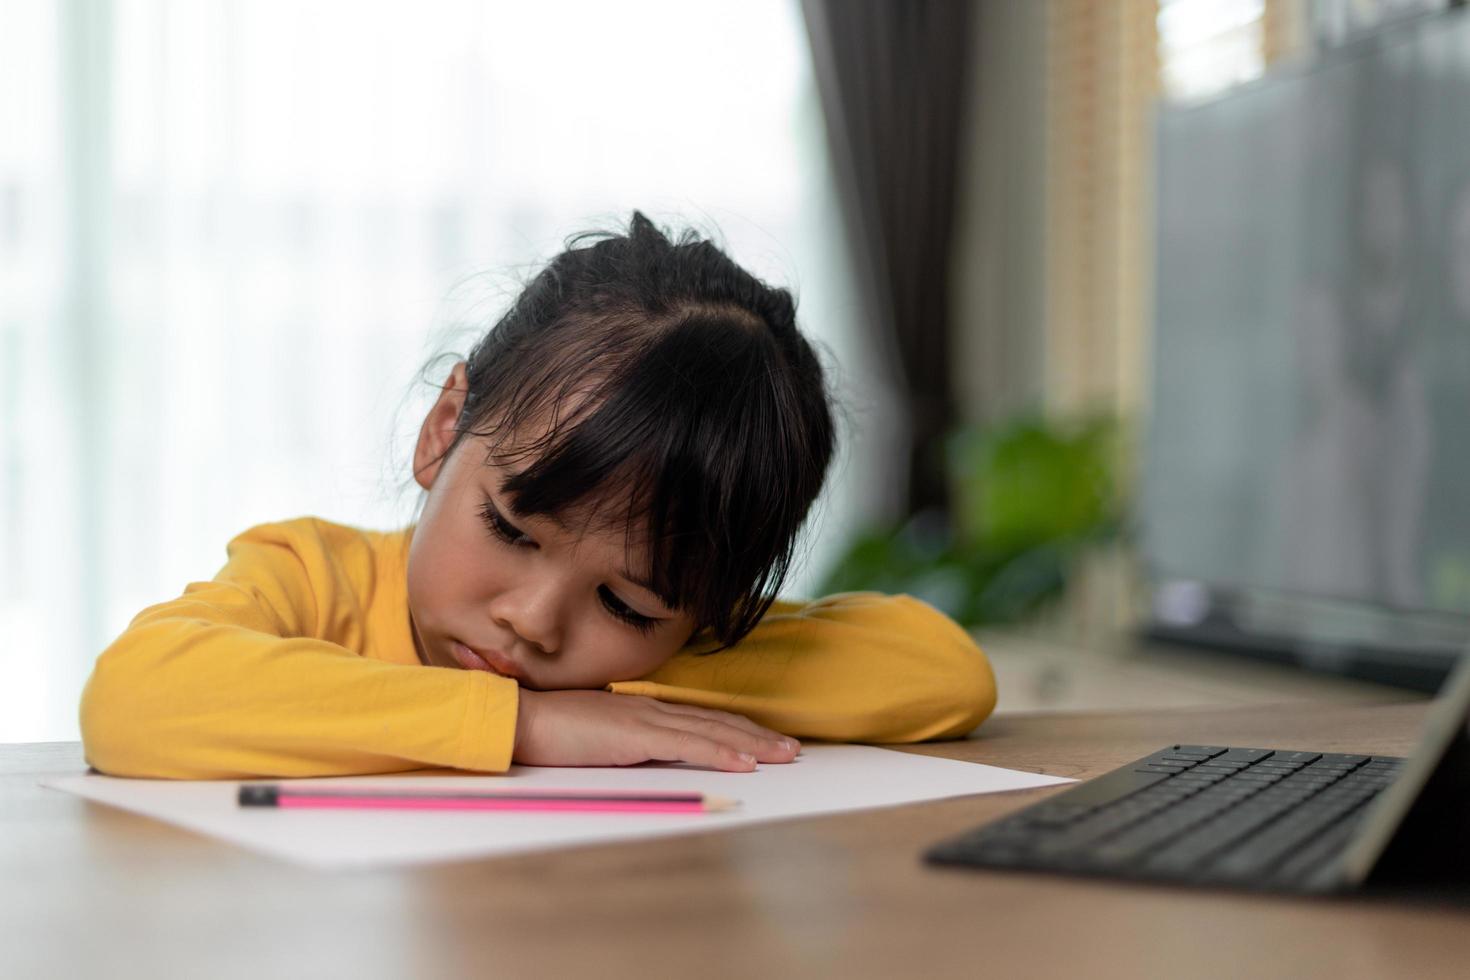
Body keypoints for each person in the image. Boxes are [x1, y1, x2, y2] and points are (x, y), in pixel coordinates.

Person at [79, 212, 996, 779]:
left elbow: (943, 676)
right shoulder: (310, 574)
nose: (532, 624)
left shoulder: (667, 647)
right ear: (444, 430)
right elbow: (134, 697)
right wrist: (527, 722)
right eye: (511, 528)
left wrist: (647, 668)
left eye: (626, 601)